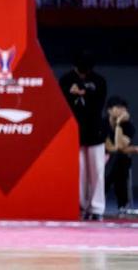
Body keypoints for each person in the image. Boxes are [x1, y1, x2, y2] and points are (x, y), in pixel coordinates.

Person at [59, 51, 107, 220]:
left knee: (97, 170)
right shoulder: (66, 80)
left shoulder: (98, 81)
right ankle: (81, 205)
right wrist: (71, 93)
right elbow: (60, 102)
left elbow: (100, 103)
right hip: (74, 132)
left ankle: (97, 208)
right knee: (79, 171)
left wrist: (84, 92)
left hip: (95, 131)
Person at [104, 96, 136, 213]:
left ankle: (104, 196)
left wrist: (118, 124)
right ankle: (122, 204)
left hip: (116, 160)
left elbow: (119, 146)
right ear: (109, 110)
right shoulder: (102, 123)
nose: (123, 110)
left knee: (120, 159)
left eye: (124, 108)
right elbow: (109, 147)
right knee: (119, 158)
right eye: (118, 107)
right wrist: (131, 149)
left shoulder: (129, 126)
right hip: (100, 157)